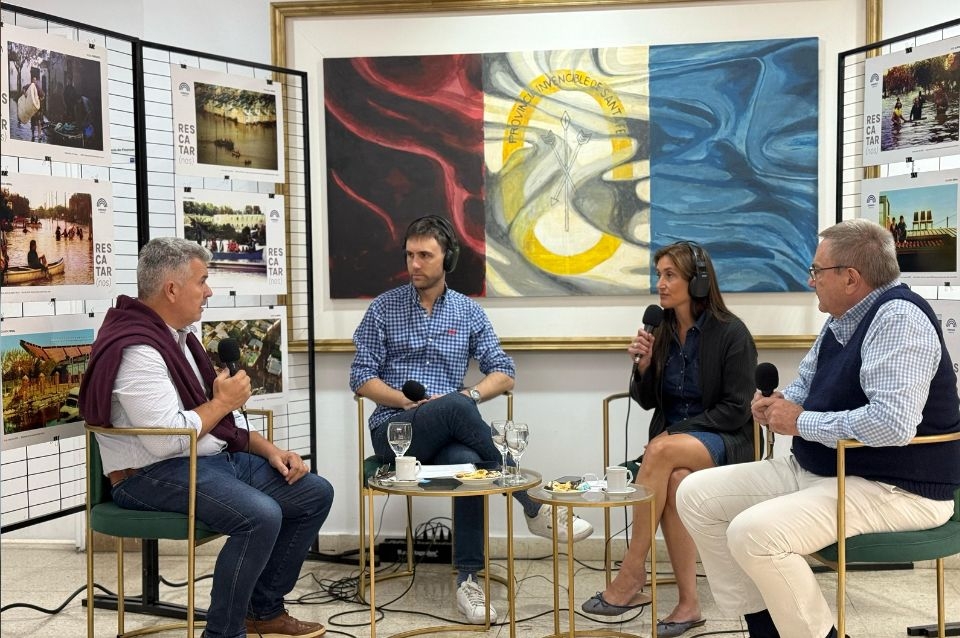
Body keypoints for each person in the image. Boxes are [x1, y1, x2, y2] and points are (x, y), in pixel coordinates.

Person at [676, 219, 960, 638]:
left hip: (897, 487)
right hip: (828, 469)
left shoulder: (899, 319)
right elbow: (805, 387)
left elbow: (892, 424)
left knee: (755, 534)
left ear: (851, 277)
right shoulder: (842, 319)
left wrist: (799, 421)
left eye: (816, 271)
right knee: (695, 495)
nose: (811, 280)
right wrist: (777, 404)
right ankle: (766, 629)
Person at [78, 237, 333, 638]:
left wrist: (271, 450)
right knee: (260, 516)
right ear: (172, 289)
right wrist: (223, 401)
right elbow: (166, 440)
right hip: (148, 475)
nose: (209, 291)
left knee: (313, 493)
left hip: (206, 460)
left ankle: (263, 610)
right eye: (202, 281)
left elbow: (221, 421)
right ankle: (223, 632)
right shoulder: (137, 350)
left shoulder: (181, 339)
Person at [349, 215, 594, 624]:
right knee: (458, 407)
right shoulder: (383, 309)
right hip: (396, 432)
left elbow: (504, 371)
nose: (414, 264)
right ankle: (533, 506)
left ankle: (468, 581)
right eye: (409, 255)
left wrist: (469, 395)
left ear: (448, 258)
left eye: (425, 255)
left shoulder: (468, 312)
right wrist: (406, 401)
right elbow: (361, 377)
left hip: (449, 436)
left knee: (470, 460)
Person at [580, 241, 757, 637]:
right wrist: (643, 367)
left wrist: (674, 434)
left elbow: (736, 409)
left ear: (698, 281)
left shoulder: (732, 333)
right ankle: (689, 604)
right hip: (671, 451)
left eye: (670, 275)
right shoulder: (660, 329)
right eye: (658, 274)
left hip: (725, 440)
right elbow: (647, 401)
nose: (660, 283)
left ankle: (631, 572)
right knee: (676, 481)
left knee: (661, 452)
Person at [21, 68, 44, 142]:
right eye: (33, 80)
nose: (34, 81)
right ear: (32, 81)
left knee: (39, 122)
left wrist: (40, 99)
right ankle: (33, 134)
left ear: (36, 81)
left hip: (37, 108)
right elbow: (23, 88)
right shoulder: (29, 86)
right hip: (32, 108)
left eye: (35, 80)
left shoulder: (38, 87)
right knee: (33, 122)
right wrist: (25, 94)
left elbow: (42, 95)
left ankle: (39, 135)